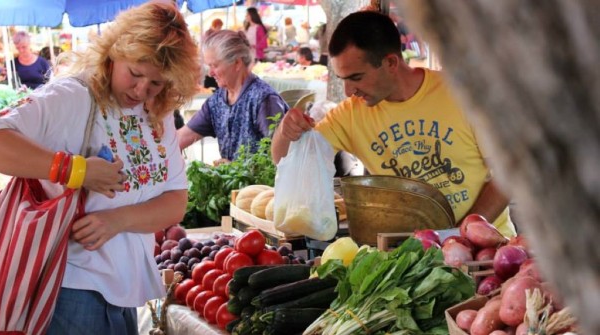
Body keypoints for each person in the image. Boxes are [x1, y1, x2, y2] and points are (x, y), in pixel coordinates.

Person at [0, 3, 201, 334]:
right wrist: (76, 171)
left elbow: (175, 200)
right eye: (135, 73)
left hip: (124, 295)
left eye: (156, 83)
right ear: (114, 53)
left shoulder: (154, 113)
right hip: (70, 289)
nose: (141, 90)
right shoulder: (73, 96)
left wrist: (117, 221)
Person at [271, 11, 516, 237]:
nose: (348, 91)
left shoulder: (462, 95)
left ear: (390, 63)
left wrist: (466, 232)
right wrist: (285, 131)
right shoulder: (350, 115)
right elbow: (285, 160)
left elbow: (508, 172)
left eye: (356, 77)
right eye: (342, 79)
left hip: (488, 252)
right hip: (415, 258)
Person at [177, 30, 288, 163]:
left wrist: (235, 167)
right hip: (236, 183)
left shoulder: (263, 99)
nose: (210, 73)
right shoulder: (216, 101)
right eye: (209, 66)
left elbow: (282, 158)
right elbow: (182, 137)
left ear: (237, 63)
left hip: (262, 184)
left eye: (215, 65)